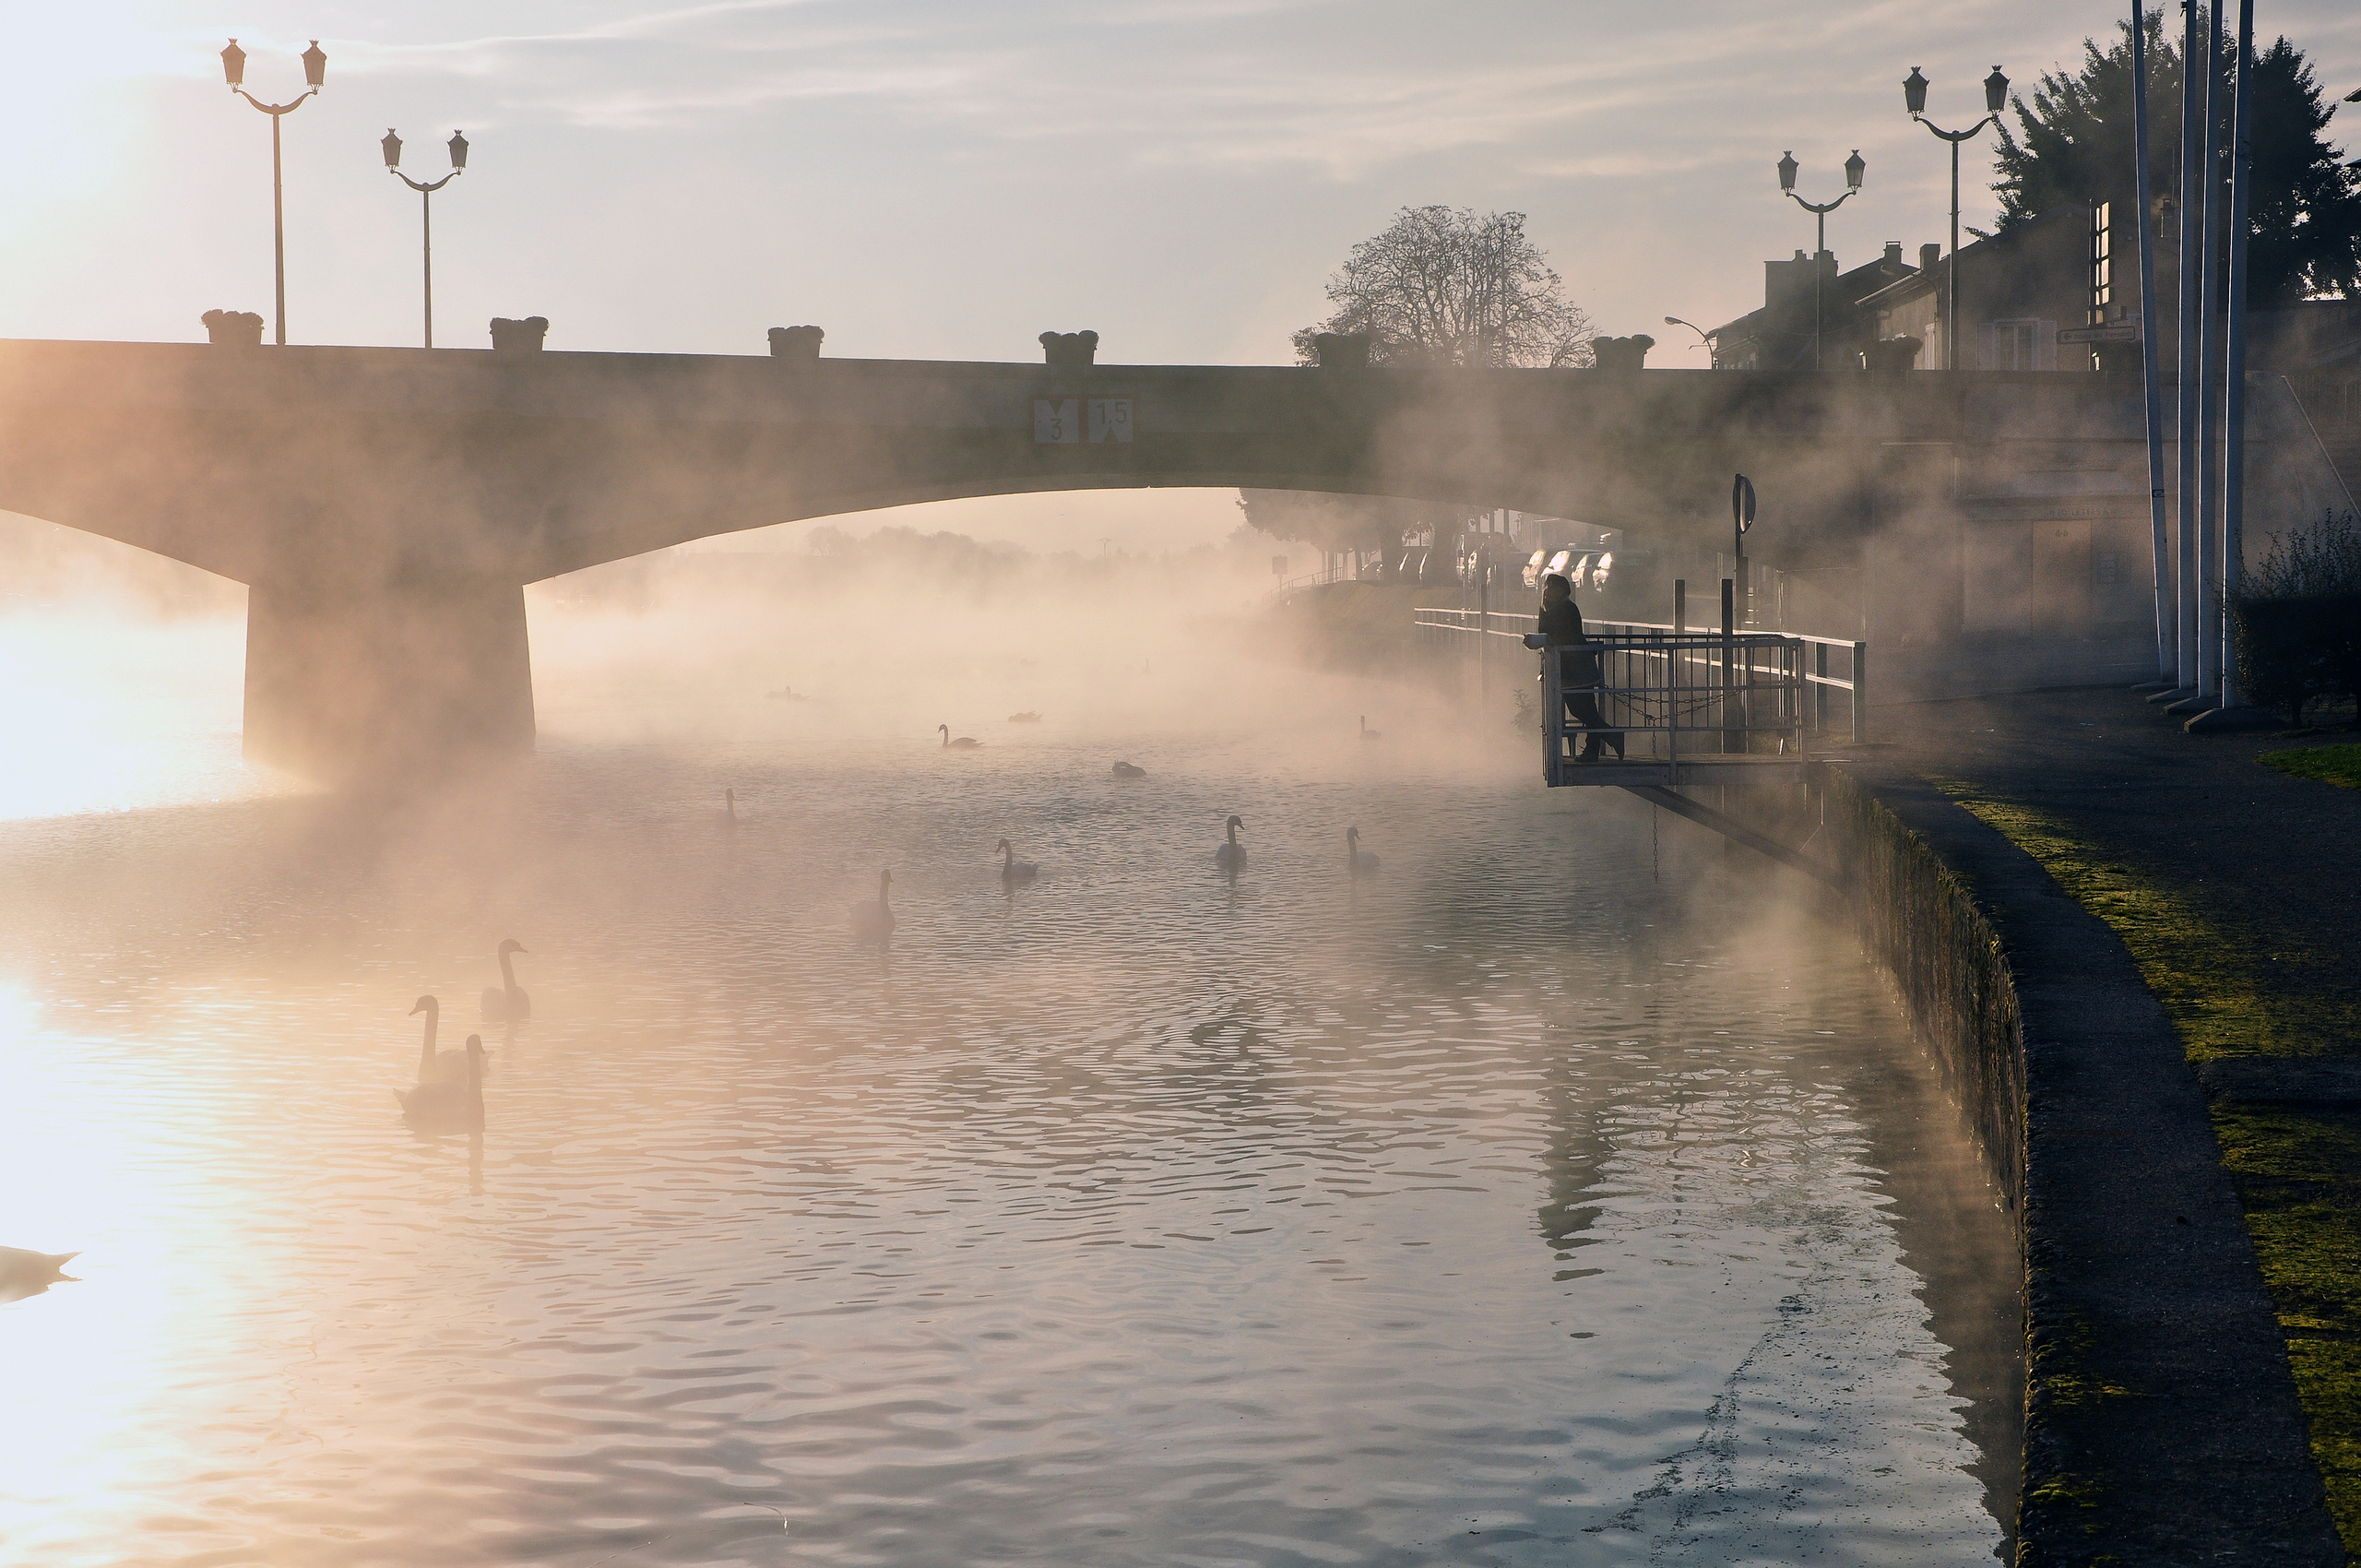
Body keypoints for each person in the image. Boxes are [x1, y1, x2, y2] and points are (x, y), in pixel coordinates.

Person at [1537, 572, 1624, 761]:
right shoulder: (1548, 609)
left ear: (1563, 591)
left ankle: (1606, 740)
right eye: (1547, 588)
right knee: (1584, 710)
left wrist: (1546, 639)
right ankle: (1599, 746)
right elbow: (1545, 633)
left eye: (1554, 588)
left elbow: (1565, 636)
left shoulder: (1567, 608)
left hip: (1576, 665)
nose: (1549, 591)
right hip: (1566, 667)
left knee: (1582, 710)